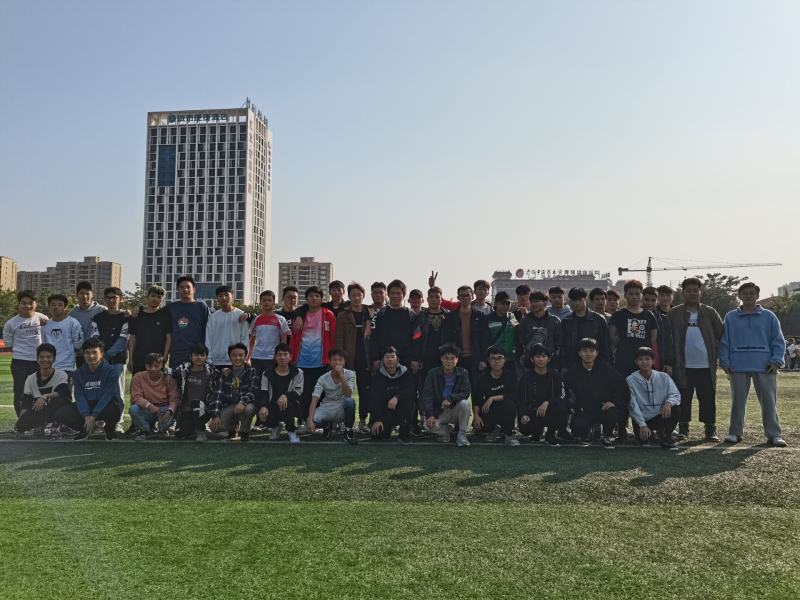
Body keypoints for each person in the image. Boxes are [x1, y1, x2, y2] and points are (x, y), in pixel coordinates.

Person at [719, 282, 787, 447]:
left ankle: (774, 434)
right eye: (745, 293)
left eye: (752, 293)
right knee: (737, 402)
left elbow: (778, 340)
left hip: (765, 366)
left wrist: (776, 361)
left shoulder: (769, 316)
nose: (748, 296)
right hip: (737, 366)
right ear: (739, 296)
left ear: (757, 295)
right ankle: (735, 432)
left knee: (769, 402)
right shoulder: (730, 317)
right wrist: (725, 361)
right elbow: (724, 341)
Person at [667, 277, 724, 442]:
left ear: (701, 293)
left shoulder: (710, 312)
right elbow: (668, 337)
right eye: (688, 290)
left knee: (707, 397)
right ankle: (683, 428)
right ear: (682, 293)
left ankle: (710, 429)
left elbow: (720, 333)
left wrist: (715, 352)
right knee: (683, 398)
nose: (692, 293)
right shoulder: (674, 313)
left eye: (695, 290)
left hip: (706, 365)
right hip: (682, 365)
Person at [563, 338, 629, 449]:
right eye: (584, 351)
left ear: (597, 353)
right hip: (583, 410)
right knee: (578, 427)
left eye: (592, 350)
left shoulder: (606, 368)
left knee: (611, 413)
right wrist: (572, 407)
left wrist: (613, 401)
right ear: (579, 353)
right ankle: (587, 432)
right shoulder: (572, 372)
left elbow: (622, 387)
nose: (588, 354)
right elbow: (566, 393)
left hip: (603, 407)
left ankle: (605, 435)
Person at [54, 339, 122, 441]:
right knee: (60, 414)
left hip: (105, 404)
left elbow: (107, 395)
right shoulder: (78, 373)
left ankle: (109, 430)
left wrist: (93, 416)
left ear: (101, 354)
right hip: (87, 404)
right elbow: (79, 395)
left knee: (114, 411)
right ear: (83, 354)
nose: (91, 356)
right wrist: (86, 416)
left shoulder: (111, 371)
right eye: (87, 353)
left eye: (94, 352)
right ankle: (85, 429)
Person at [290, 286, 337, 426]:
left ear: (322, 299)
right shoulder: (300, 316)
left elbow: (333, 337)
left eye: (317, 296)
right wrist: (292, 358)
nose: (314, 298)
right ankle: (304, 421)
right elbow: (293, 339)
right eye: (311, 296)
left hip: (321, 362)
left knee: (321, 394)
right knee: (303, 395)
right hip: (302, 362)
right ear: (306, 299)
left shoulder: (328, 315)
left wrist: (332, 359)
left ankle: (319, 422)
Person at [334, 283, 374, 434]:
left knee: (365, 392)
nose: (356, 298)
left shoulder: (370, 313)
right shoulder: (342, 315)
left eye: (359, 295)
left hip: (365, 359)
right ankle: (343, 421)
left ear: (363, 296)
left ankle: (362, 421)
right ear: (348, 296)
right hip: (347, 359)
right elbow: (339, 338)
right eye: (353, 295)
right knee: (344, 391)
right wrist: (339, 359)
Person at [89, 286, 129, 432]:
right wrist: (100, 356)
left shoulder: (125, 317)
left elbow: (122, 340)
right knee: (100, 391)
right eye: (108, 298)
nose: (111, 300)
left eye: (114, 298)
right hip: (100, 361)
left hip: (117, 360)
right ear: (104, 299)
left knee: (117, 392)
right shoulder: (98, 318)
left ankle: (117, 421)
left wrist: (106, 355)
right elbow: (95, 338)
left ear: (120, 299)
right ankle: (101, 420)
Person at [627, 347, 681, 450]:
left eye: (647, 359)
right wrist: (642, 425)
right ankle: (647, 432)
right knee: (644, 442)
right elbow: (632, 404)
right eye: (640, 359)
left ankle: (666, 436)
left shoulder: (664, 377)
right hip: (643, 419)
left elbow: (675, 395)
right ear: (636, 362)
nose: (644, 362)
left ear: (653, 361)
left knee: (676, 410)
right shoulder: (630, 380)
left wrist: (669, 402)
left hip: (661, 416)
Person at [3, 290, 47, 416]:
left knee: (40, 392)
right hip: (19, 362)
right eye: (24, 303)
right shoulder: (11, 323)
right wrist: (22, 352)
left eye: (30, 303)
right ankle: (22, 421)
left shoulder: (43, 319)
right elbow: (9, 346)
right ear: (19, 304)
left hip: (39, 362)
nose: (27, 306)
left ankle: (39, 421)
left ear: (36, 303)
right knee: (20, 393)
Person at [516, 344, 569, 446]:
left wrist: (548, 402)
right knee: (525, 429)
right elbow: (520, 400)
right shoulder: (526, 377)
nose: (541, 359)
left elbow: (562, 396)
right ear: (532, 359)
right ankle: (536, 432)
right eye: (537, 356)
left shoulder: (555, 375)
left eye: (544, 356)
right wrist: (523, 414)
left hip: (550, 411)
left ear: (549, 359)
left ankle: (550, 435)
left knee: (562, 409)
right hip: (532, 412)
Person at [420, 343, 472, 447]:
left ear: (457, 360)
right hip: (439, 411)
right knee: (427, 426)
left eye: (452, 359)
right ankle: (448, 431)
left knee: (465, 404)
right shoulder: (432, 373)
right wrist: (430, 415)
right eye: (446, 358)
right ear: (441, 359)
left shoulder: (463, 373)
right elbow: (427, 396)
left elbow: (465, 392)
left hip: (456, 410)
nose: (449, 361)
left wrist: (450, 398)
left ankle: (461, 434)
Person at [14, 343, 71, 436]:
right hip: (42, 410)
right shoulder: (31, 379)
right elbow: (26, 403)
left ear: (54, 359)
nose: (45, 360)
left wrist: (45, 396)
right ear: (37, 359)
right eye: (41, 357)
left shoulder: (61, 375)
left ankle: (56, 426)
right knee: (21, 425)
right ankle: (40, 424)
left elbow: (62, 392)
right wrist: (21, 422)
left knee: (57, 400)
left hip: (59, 409)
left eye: (49, 357)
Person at [441, 285, 489, 390]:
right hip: (456, 359)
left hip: (475, 359)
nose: (465, 298)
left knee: (476, 389)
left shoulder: (480, 317)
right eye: (462, 296)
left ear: (472, 297)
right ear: (458, 297)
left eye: (467, 295)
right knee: (457, 388)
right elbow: (445, 339)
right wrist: (448, 359)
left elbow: (484, 339)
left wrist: (483, 359)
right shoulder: (450, 317)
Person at [208, 343, 259, 442]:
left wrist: (243, 402)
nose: (237, 358)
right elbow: (218, 396)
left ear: (245, 356)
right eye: (234, 355)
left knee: (248, 409)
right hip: (230, 406)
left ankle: (244, 432)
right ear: (230, 357)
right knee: (215, 428)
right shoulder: (225, 374)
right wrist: (216, 416)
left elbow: (253, 391)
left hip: (246, 405)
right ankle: (233, 427)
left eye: (241, 355)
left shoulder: (252, 371)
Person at [608, 280, 658, 377]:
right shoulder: (618, 314)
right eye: (630, 294)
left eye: (637, 294)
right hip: (623, 360)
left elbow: (653, 337)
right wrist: (623, 345)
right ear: (625, 295)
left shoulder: (649, 315)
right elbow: (611, 335)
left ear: (641, 295)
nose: (634, 297)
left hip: (644, 361)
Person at [307, 348, 358, 444]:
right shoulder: (323, 378)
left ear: (344, 361)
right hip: (327, 406)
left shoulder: (350, 374)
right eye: (334, 360)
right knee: (313, 420)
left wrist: (341, 376)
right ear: (330, 362)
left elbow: (348, 394)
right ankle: (327, 426)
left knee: (350, 401)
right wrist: (310, 420)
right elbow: (315, 399)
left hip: (342, 407)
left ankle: (348, 431)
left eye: (340, 360)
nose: (337, 363)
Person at [369, 280, 421, 371]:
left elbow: (417, 338)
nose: (395, 296)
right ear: (388, 295)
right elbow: (374, 337)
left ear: (404, 295)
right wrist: (375, 357)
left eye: (398, 293)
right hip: (385, 358)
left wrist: (416, 358)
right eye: (392, 293)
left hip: (406, 358)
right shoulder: (380, 313)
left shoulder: (411, 314)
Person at [171, 343, 219, 442]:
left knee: (196, 403)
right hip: (187, 411)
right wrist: (168, 374)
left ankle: (201, 430)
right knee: (180, 434)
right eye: (196, 355)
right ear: (191, 357)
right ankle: (194, 427)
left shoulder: (212, 372)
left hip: (205, 410)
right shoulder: (183, 370)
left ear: (206, 357)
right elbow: (170, 370)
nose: (199, 357)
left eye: (202, 355)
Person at [472, 345, 519, 445]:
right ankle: (494, 429)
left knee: (509, 404)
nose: (496, 361)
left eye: (499, 358)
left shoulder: (511, 375)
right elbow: (476, 399)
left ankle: (509, 434)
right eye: (493, 358)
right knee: (480, 427)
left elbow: (513, 395)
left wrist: (492, 398)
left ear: (505, 359)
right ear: (488, 360)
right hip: (490, 410)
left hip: (506, 409)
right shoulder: (482, 379)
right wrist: (476, 416)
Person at [257, 343, 303, 443]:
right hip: (272, 404)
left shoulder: (298, 372)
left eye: (285, 354)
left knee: (287, 405)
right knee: (262, 413)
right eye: (279, 355)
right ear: (275, 357)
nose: (282, 357)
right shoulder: (267, 373)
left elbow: (298, 392)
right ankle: (276, 426)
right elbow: (264, 391)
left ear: (290, 356)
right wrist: (263, 406)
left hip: (290, 404)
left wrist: (286, 395)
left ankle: (291, 430)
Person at [162, 276, 212, 368]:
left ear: (194, 289)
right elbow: (154, 312)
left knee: (196, 377)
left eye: (188, 287)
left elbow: (209, 330)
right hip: (177, 352)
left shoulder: (201, 306)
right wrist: (139, 307)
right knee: (175, 377)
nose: (185, 289)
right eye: (182, 287)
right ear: (178, 290)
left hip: (196, 353)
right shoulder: (171, 307)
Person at [370, 346, 416, 443]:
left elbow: (411, 390)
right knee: (379, 435)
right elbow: (374, 399)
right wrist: (377, 419)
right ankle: (387, 428)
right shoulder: (378, 377)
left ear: (397, 360)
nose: (390, 360)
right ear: (382, 360)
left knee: (409, 402)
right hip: (386, 411)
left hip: (401, 409)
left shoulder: (406, 373)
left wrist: (397, 397)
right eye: (387, 357)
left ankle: (404, 434)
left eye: (392, 357)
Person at [129, 353, 179, 440]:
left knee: (165, 423)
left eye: (156, 366)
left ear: (161, 365)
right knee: (133, 409)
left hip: (164, 408)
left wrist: (169, 411)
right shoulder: (138, 377)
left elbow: (174, 398)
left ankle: (162, 430)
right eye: (150, 366)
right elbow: (136, 396)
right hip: (146, 408)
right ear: (145, 366)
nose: (153, 369)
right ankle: (145, 430)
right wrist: (149, 405)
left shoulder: (168, 378)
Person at [561, 287, 611, 372]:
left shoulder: (599, 320)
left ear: (585, 299)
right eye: (574, 300)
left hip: (595, 365)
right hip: (572, 365)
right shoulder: (566, 321)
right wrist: (563, 366)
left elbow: (605, 346)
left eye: (579, 299)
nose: (577, 303)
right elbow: (563, 346)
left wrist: (603, 365)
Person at [127, 286, 171, 375]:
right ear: (147, 297)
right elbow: (132, 337)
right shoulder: (137, 315)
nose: (155, 299)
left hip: (157, 361)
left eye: (159, 297)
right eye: (153, 296)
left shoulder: (165, 315)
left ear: (162, 300)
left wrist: (165, 356)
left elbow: (168, 338)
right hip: (139, 360)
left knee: (157, 384)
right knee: (138, 383)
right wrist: (130, 359)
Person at [515, 290, 562, 371]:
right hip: (530, 363)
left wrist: (554, 357)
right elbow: (521, 341)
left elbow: (559, 342)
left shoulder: (554, 320)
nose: (533, 304)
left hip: (551, 363)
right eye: (532, 301)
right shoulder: (525, 320)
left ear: (545, 303)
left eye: (537, 301)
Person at [41, 294, 83, 384]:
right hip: (49, 367)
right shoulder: (45, 325)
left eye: (60, 305)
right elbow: (44, 345)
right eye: (53, 305)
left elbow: (78, 344)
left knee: (65, 392)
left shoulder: (72, 322)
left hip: (66, 367)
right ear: (49, 307)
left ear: (65, 307)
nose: (56, 307)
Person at [206, 286, 250, 370]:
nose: (223, 298)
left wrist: (243, 357)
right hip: (216, 361)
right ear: (217, 298)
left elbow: (244, 339)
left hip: (236, 361)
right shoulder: (213, 317)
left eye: (226, 295)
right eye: (220, 295)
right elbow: (208, 339)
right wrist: (209, 360)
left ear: (232, 296)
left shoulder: (240, 315)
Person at [248, 289, 289, 374]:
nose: (267, 302)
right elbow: (252, 339)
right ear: (260, 303)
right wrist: (248, 356)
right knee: (256, 381)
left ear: (274, 303)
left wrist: (281, 355)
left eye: (269, 300)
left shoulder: (280, 319)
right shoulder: (255, 320)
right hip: (256, 357)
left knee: (271, 381)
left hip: (272, 357)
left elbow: (283, 339)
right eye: (264, 300)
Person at [68, 281, 107, 368]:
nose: (84, 296)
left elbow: (115, 314)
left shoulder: (102, 310)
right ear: (77, 294)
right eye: (82, 293)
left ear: (92, 294)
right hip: (80, 354)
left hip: (97, 354)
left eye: (87, 293)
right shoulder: (72, 314)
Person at [485, 291, 519, 377]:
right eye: (502, 304)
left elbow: (518, 332)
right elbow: (483, 339)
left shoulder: (512, 317)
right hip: (494, 359)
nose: (505, 307)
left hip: (510, 359)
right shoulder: (487, 319)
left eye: (508, 304)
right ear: (495, 303)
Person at [642, 286, 674, 374]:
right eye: (646, 300)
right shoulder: (634, 317)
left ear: (657, 300)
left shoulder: (663, 319)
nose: (649, 303)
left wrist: (668, 362)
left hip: (659, 362)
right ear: (642, 299)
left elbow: (668, 343)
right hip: (639, 361)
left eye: (653, 300)